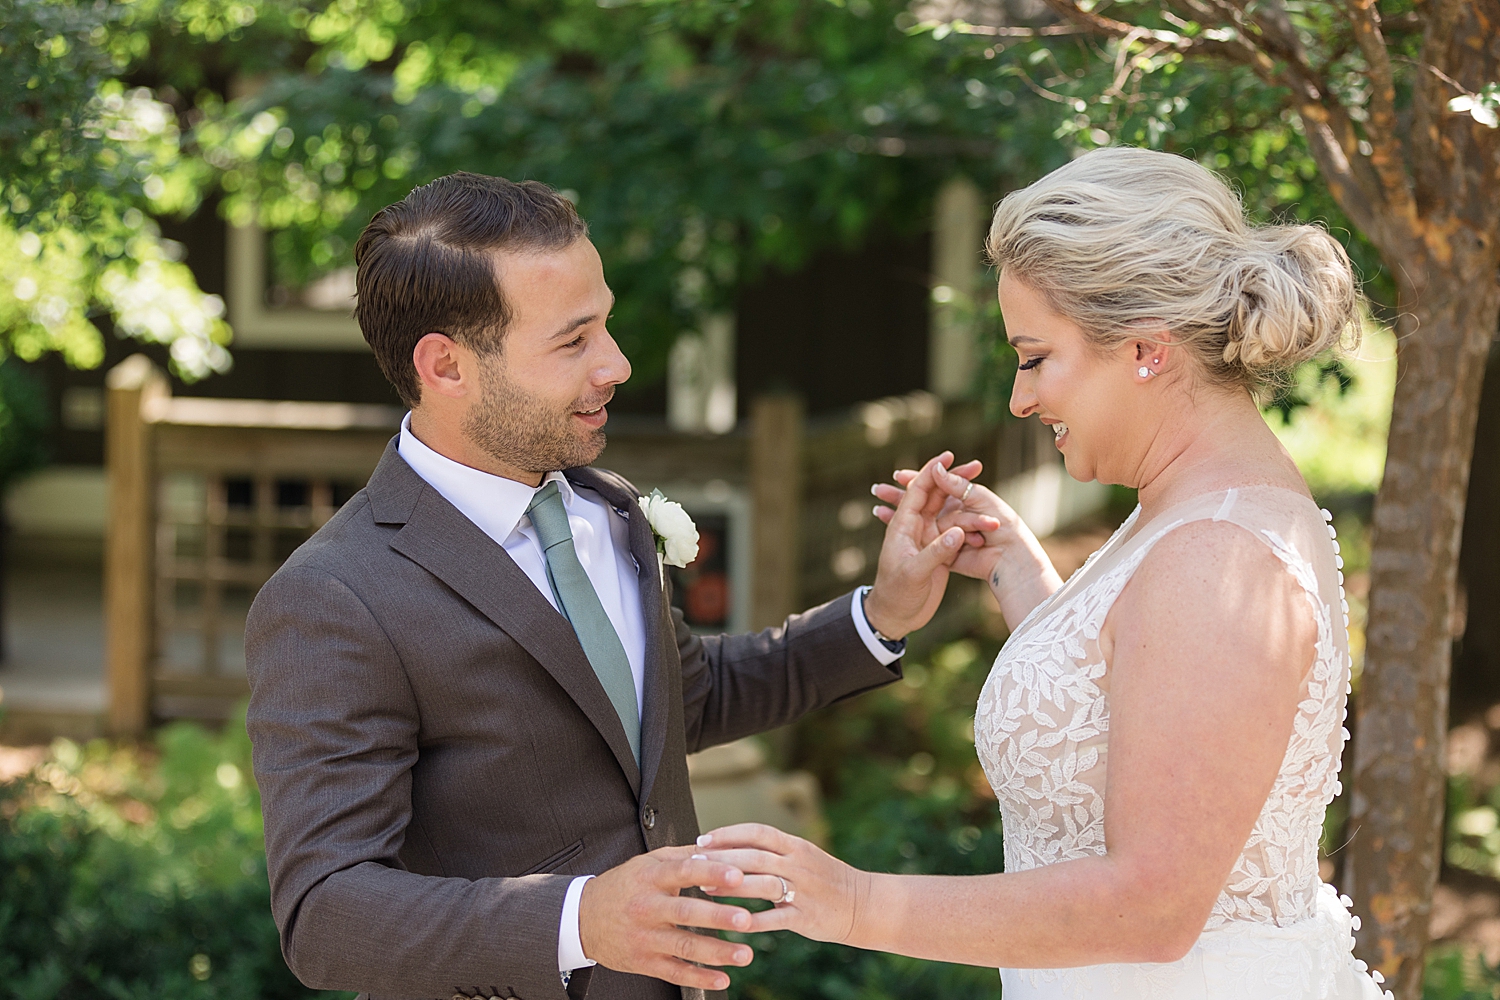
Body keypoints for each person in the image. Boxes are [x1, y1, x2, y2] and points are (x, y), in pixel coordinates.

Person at [242, 172, 979, 1000]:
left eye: (608, 325)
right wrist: (582, 919)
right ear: (445, 366)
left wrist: (881, 615)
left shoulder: (607, 508)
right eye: (573, 340)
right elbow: (327, 914)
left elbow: (677, 702)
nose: (617, 364)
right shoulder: (337, 598)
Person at [698, 146, 1392, 1000]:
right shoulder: (1191, 515)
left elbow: (1151, 906)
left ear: (1144, 348)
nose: (1023, 399)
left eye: (1035, 357)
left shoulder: (1218, 558)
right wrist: (1022, 576)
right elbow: (1132, 707)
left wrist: (854, 902)